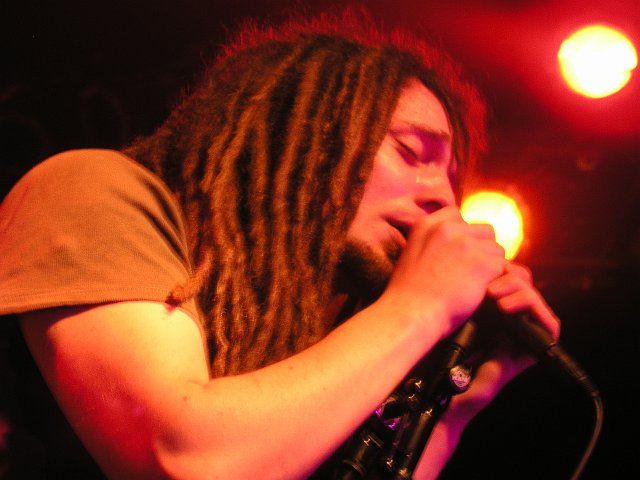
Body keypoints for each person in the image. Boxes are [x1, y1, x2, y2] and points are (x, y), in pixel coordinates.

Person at [0, 6, 560, 479]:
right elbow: (184, 461)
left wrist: (454, 405)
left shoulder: (324, 332)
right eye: (411, 153)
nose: (444, 199)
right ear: (304, 136)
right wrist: (423, 306)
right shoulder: (90, 189)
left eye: (453, 180)